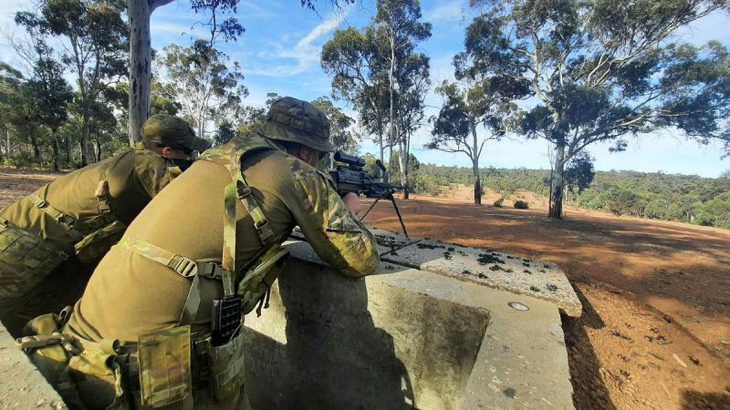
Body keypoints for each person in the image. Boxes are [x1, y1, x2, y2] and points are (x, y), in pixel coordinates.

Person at [17, 97, 380, 409]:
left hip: (79, 336)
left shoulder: (216, 157)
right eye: (317, 158)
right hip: (140, 362)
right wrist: (346, 207)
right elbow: (360, 259)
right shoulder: (298, 173)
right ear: (306, 152)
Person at [0, 115, 209, 333]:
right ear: (166, 151)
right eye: (188, 153)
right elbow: (197, 199)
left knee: (33, 319)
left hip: (31, 236)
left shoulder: (131, 158)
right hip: (23, 244)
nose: (191, 158)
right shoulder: (148, 164)